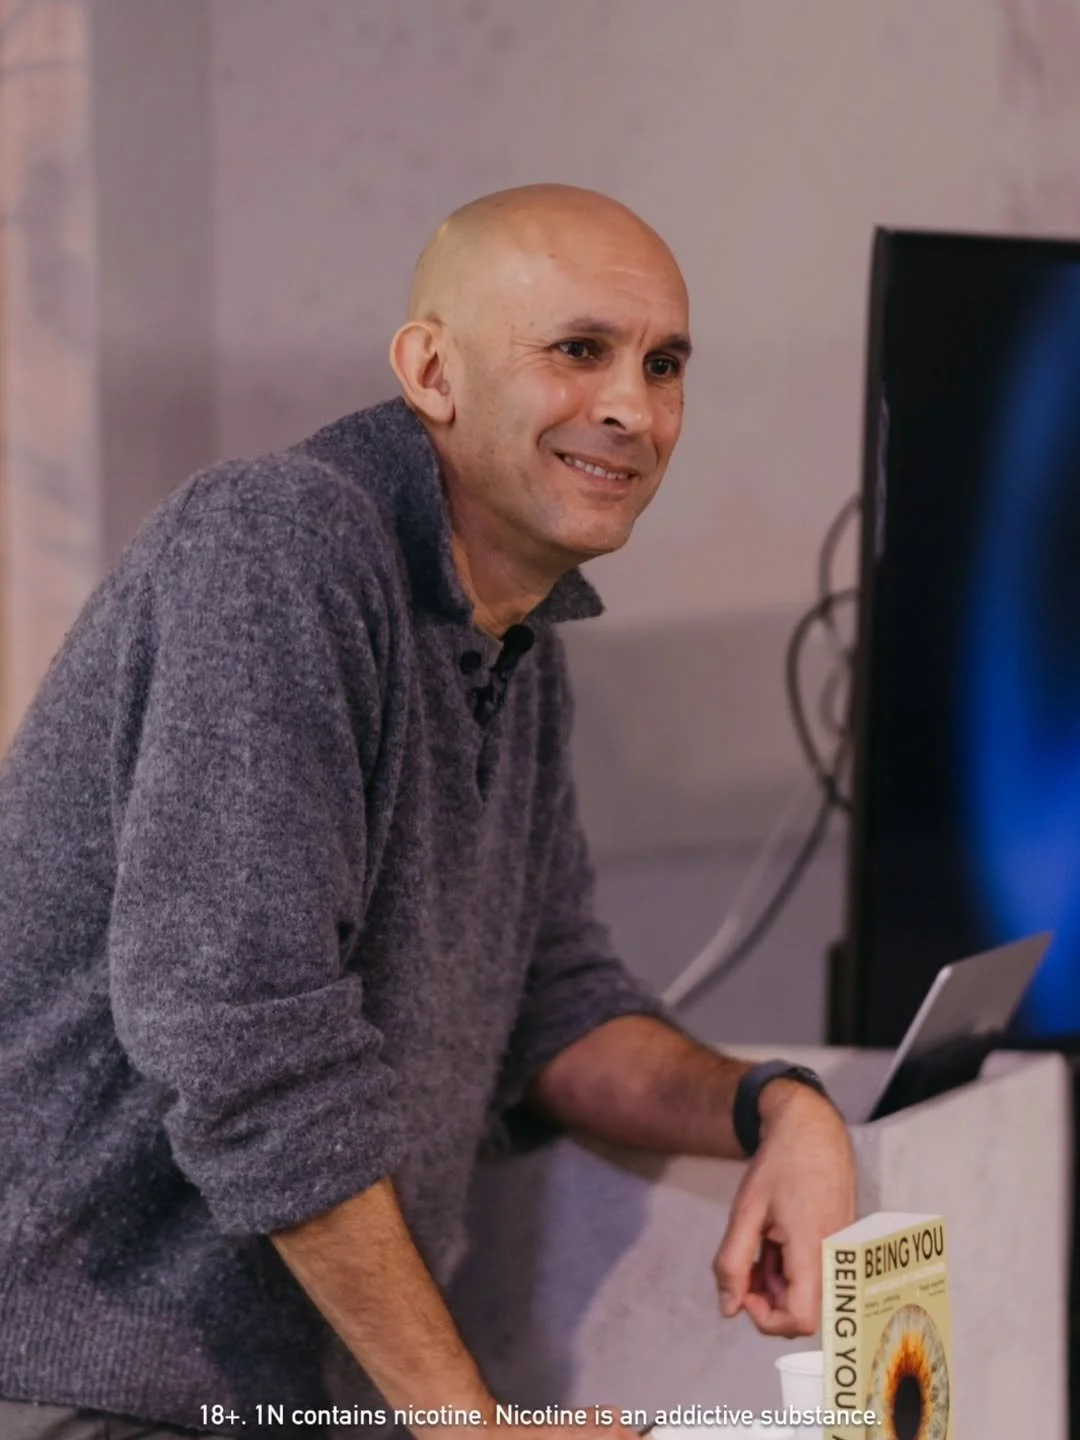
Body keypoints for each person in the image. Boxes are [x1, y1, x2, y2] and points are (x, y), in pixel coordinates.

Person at [0, 183, 855, 1440]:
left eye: (664, 364)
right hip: (77, 1388)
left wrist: (777, 1107)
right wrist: (467, 1424)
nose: (632, 407)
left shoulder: (522, 642)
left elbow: (554, 1007)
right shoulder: (276, 545)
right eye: (579, 350)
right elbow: (242, 1037)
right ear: (432, 372)